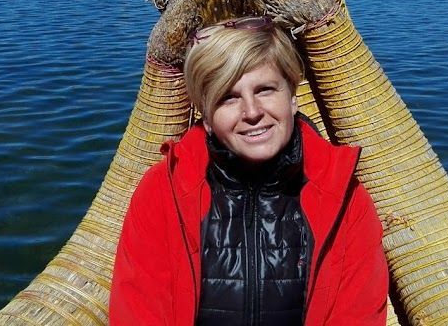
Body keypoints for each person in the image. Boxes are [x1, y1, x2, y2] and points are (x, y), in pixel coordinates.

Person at [110, 17, 388, 325]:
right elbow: (137, 311)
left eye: (266, 89)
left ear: (292, 97)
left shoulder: (344, 199)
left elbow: (357, 314)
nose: (252, 112)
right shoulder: (163, 192)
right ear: (206, 115)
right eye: (228, 97)